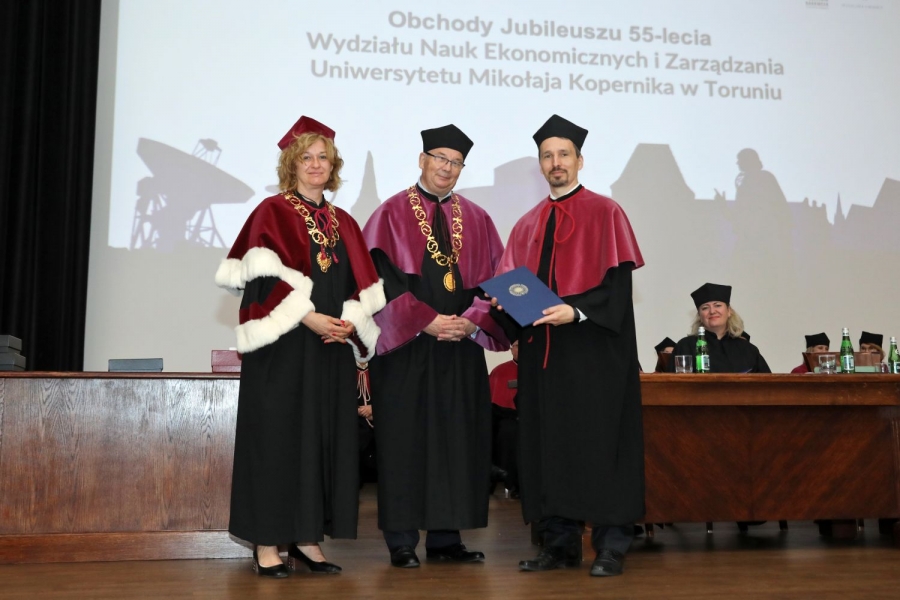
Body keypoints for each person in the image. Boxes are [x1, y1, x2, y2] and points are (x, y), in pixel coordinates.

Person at [215, 116, 385, 578]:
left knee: (321, 442)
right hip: (283, 349)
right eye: (306, 157)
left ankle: (308, 539)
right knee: (277, 441)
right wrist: (306, 316)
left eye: (323, 158)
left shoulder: (343, 221)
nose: (315, 165)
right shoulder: (271, 211)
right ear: (292, 164)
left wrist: (346, 324)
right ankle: (268, 542)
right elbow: (259, 283)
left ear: (334, 167)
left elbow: (360, 285)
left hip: (329, 350)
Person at [491, 114, 645, 578]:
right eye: (547, 156)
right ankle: (558, 544)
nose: (555, 163)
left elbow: (616, 291)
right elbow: (513, 291)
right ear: (540, 164)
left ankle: (612, 544)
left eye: (563, 154)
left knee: (601, 447)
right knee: (547, 447)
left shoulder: (607, 212)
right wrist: (504, 309)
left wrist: (574, 311)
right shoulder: (528, 223)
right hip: (543, 359)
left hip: (594, 355)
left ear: (580, 160)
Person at [362, 124, 508, 568]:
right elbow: (377, 281)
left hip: (461, 348)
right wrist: (425, 320)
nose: (447, 168)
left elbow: (498, 282)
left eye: (456, 162)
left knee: (457, 440)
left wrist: (470, 322)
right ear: (422, 160)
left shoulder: (479, 219)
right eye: (439, 158)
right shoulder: (389, 214)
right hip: (407, 348)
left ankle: (447, 538)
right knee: (404, 442)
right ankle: (402, 540)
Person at [668, 283, 771, 374]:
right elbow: (670, 387)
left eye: (717, 305)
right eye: (705, 308)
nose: (712, 311)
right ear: (700, 316)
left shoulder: (748, 349)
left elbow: (768, 387)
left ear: (729, 311)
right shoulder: (685, 346)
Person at [489, 340, 520, 498]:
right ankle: (511, 482)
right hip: (506, 418)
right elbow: (494, 402)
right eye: (516, 346)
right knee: (507, 433)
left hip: (533, 419)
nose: (519, 350)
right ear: (511, 349)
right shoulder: (499, 371)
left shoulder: (538, 369)